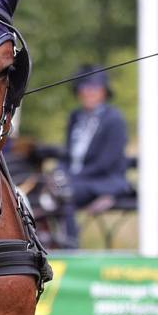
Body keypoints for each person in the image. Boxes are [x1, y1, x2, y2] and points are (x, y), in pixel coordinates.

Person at [61, 66, 133, 246]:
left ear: (103, 92)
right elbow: (67, 154)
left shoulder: (114, 119)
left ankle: (70, 247)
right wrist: (59, 172)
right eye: (83, 88)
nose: (88, 93)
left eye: (93, 88)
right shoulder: (75, 116)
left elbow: (106, 162)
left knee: (64, 193)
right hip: (76, 178)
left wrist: (70, 177)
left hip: (105, 180)